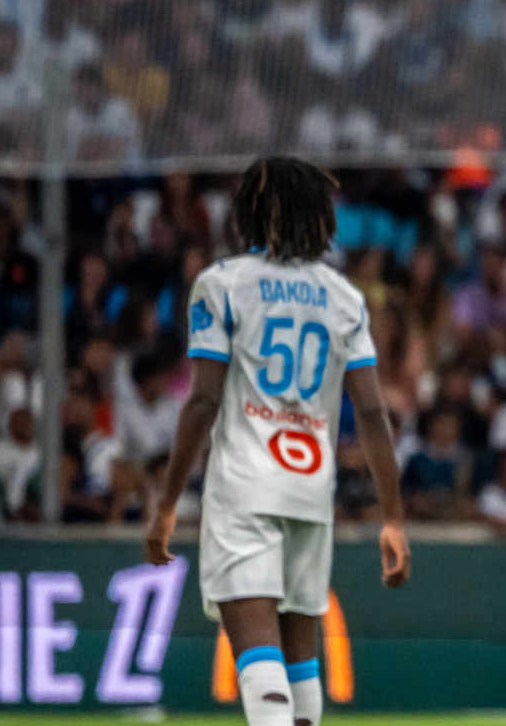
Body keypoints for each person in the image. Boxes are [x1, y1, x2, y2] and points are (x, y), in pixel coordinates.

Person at [144, 156, 410, 726]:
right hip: (311, 488)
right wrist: (393, 517)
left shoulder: (222, 284)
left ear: (249, 215)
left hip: (245, 481)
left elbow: (203, 401)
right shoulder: (343, 297)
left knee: (259, 656)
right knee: (300, 662)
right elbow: (370, 409)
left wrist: (166, 504)